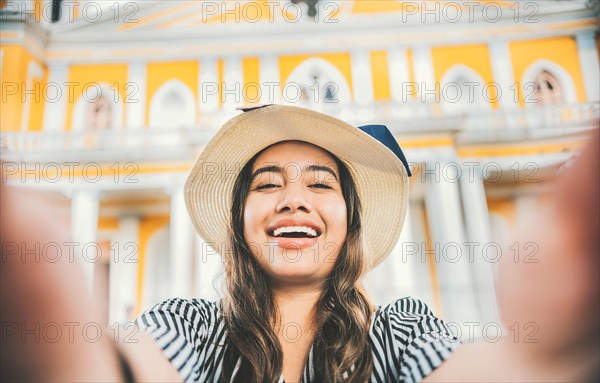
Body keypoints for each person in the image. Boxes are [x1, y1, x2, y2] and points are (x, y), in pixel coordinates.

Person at [134, 104, 460, 382]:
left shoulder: (399, 331)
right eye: (267, 184)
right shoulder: (190, 326)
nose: (293, 200)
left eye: (319, 183)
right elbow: (135, 360)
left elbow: (453, 366)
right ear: (239, 221)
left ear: (350, 222)